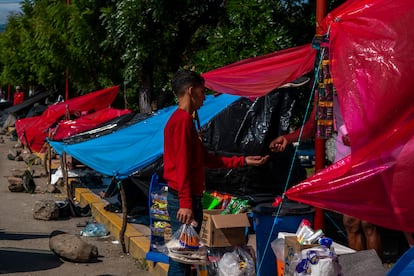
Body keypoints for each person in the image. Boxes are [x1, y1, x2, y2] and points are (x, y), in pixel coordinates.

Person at [164, 69, 269, 275]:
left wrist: (243, 160)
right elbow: (182, 166)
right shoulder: (182, 121)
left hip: (188, 198)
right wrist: (186, 204)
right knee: (181, 259)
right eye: (202, 92)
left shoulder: (186, 121)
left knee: (187, 258)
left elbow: (205, 159)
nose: (204, 97)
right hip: (183, 200)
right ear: (191, 91)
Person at [268, 87, 382, 258]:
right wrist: (288, 138)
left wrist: (364, 135)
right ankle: (359, 269)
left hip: (368, 160)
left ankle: (375, 269)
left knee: (368, 223)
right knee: (351, 223)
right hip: (344, 164)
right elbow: (313, 126)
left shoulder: (362, 84)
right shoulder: (326, 90)